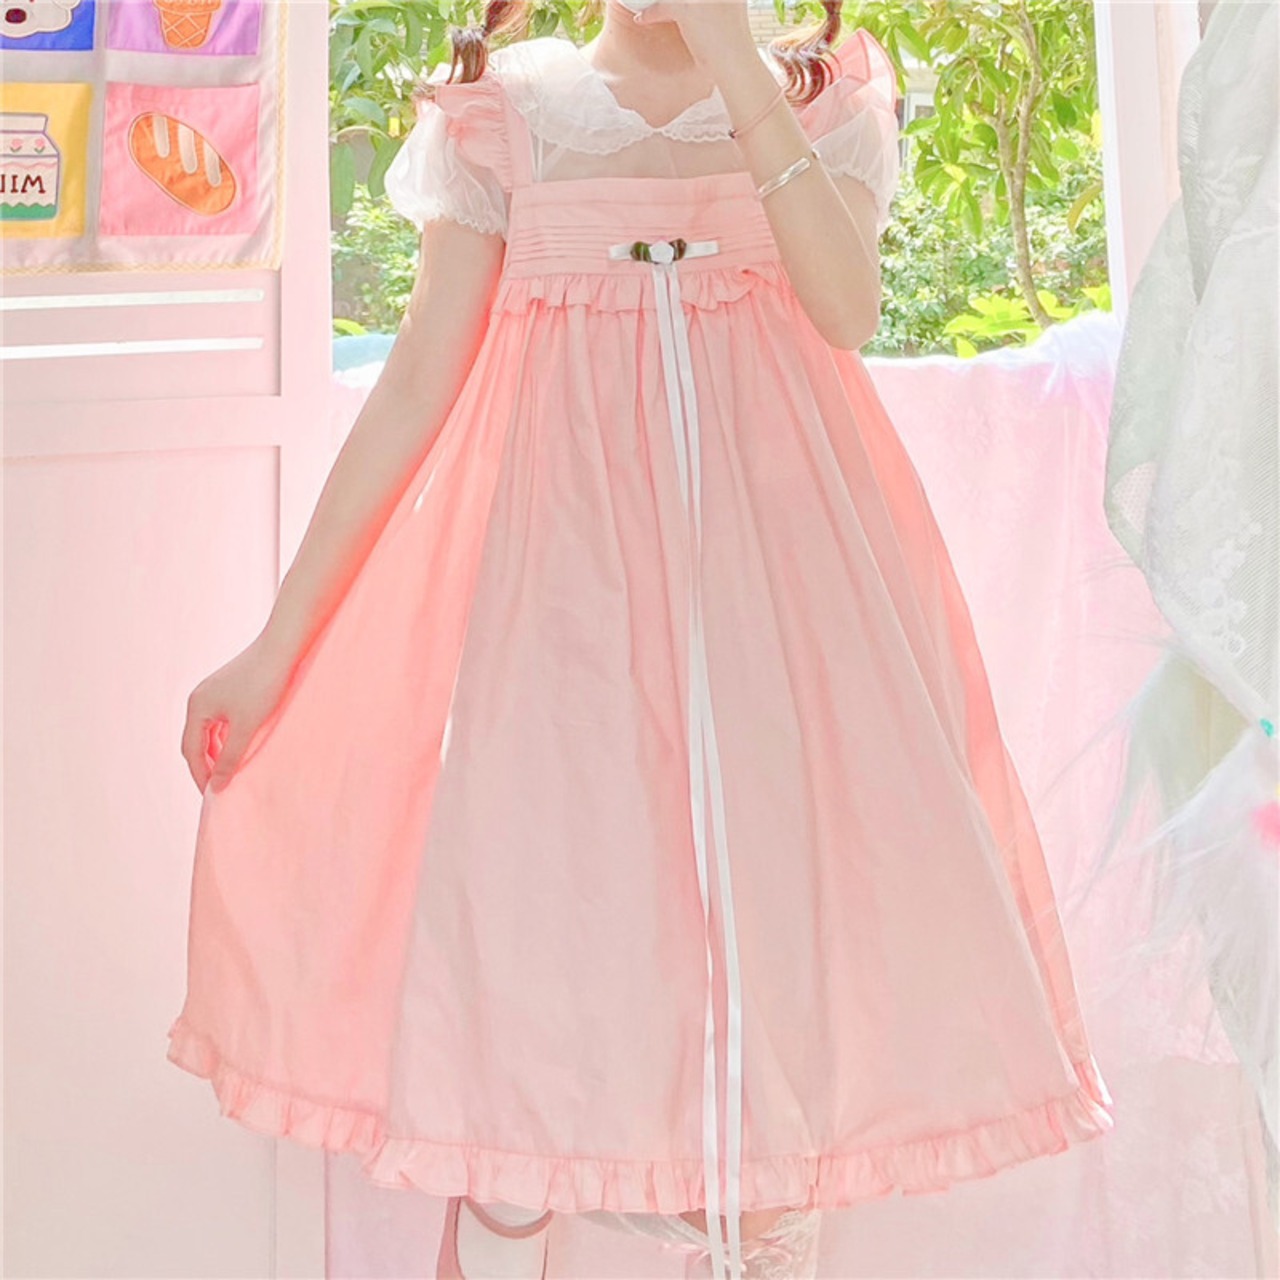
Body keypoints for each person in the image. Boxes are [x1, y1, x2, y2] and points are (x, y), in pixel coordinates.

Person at [170, 3, 1116, 1278]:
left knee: (772, 960)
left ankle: (757, 1235)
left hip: (784, 617)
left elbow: (845, 307)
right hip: (558, 614)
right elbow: (410, 392)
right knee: (541, 942)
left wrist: (732, 56)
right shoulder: (509, 121)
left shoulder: (823, 102)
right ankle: (506, 1216)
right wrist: (273, 646)